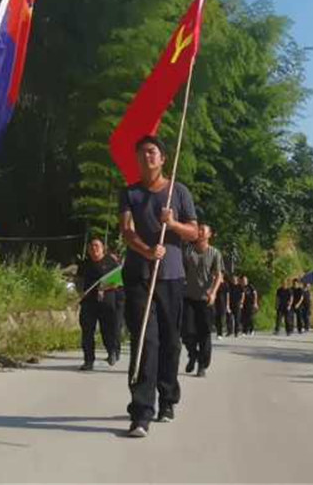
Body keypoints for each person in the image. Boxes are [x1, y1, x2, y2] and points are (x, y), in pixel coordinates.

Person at [119, 135, 198, 438]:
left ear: (163, 158)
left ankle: (168, 397)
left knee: (170, 341)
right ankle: (141, 412)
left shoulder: (178, 192)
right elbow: (127, 231)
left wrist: (173, 224)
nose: (147, 158)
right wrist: (147, 251)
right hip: (139, 275)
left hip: (172, 277)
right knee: (145, 342)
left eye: (152, 153)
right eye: (141, 154)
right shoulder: (130, 193)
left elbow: (193, 231)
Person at [182, 224, 224, 377]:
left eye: (202, 230)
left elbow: (219, 275)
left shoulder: (214, 253)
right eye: (198, 229)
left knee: (204, 334)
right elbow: (182, 269)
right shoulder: (188, 251)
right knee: (186, 332)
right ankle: (193, 354)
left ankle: (202, 364)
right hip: (188, 297)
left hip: (205, 299)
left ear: (209, 234)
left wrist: (213, 293)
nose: (199, 232)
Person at [76, 238, 121, 370]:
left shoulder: (110, 262)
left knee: (107, 330)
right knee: (87, 331)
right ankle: (88, 360)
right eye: (91, 246)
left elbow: (117, 281)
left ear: (103, 248)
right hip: (88, 303)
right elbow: (79, 280)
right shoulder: (84, 264)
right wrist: (79, 292)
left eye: (97, 246)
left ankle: (112, 351)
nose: (94, 249)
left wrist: (103, 288)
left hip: (106, 302)